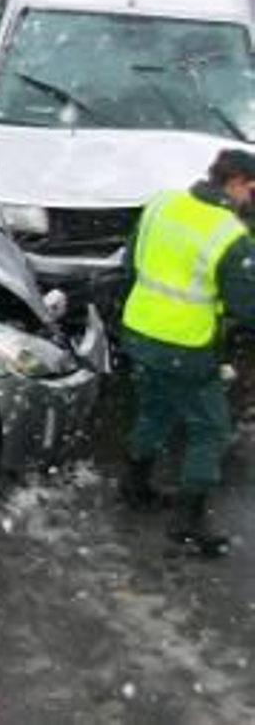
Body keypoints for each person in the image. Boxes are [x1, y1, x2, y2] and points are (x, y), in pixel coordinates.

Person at [118, 148, 255, 558]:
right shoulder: (229, 235)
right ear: (235, 183)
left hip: (140, 332)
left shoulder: (162, 204)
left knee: (155, 410)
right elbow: (248, 305)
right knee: (209, 429)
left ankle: (134, 486)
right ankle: (188, 523)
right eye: (252, 189)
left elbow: (130, 264)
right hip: (186, 347)